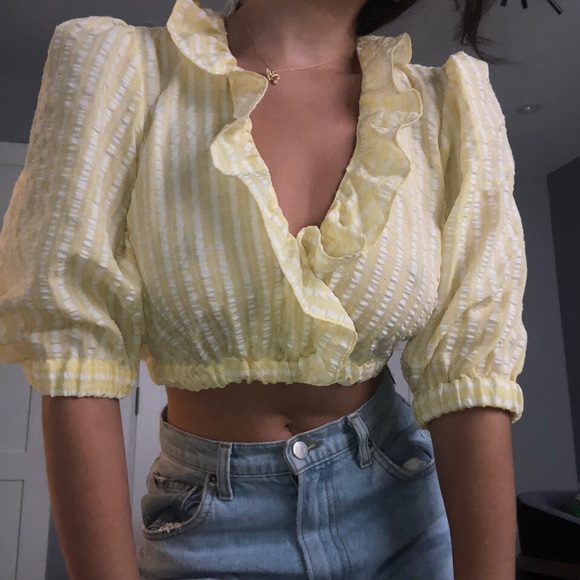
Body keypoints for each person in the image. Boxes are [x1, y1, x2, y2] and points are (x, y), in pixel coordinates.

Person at [0, 0, 528, 578]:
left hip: (401, 511)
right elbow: (76, 354)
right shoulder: (120, 70)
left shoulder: (443, 109)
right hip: (206, 529)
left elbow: (470, 377)